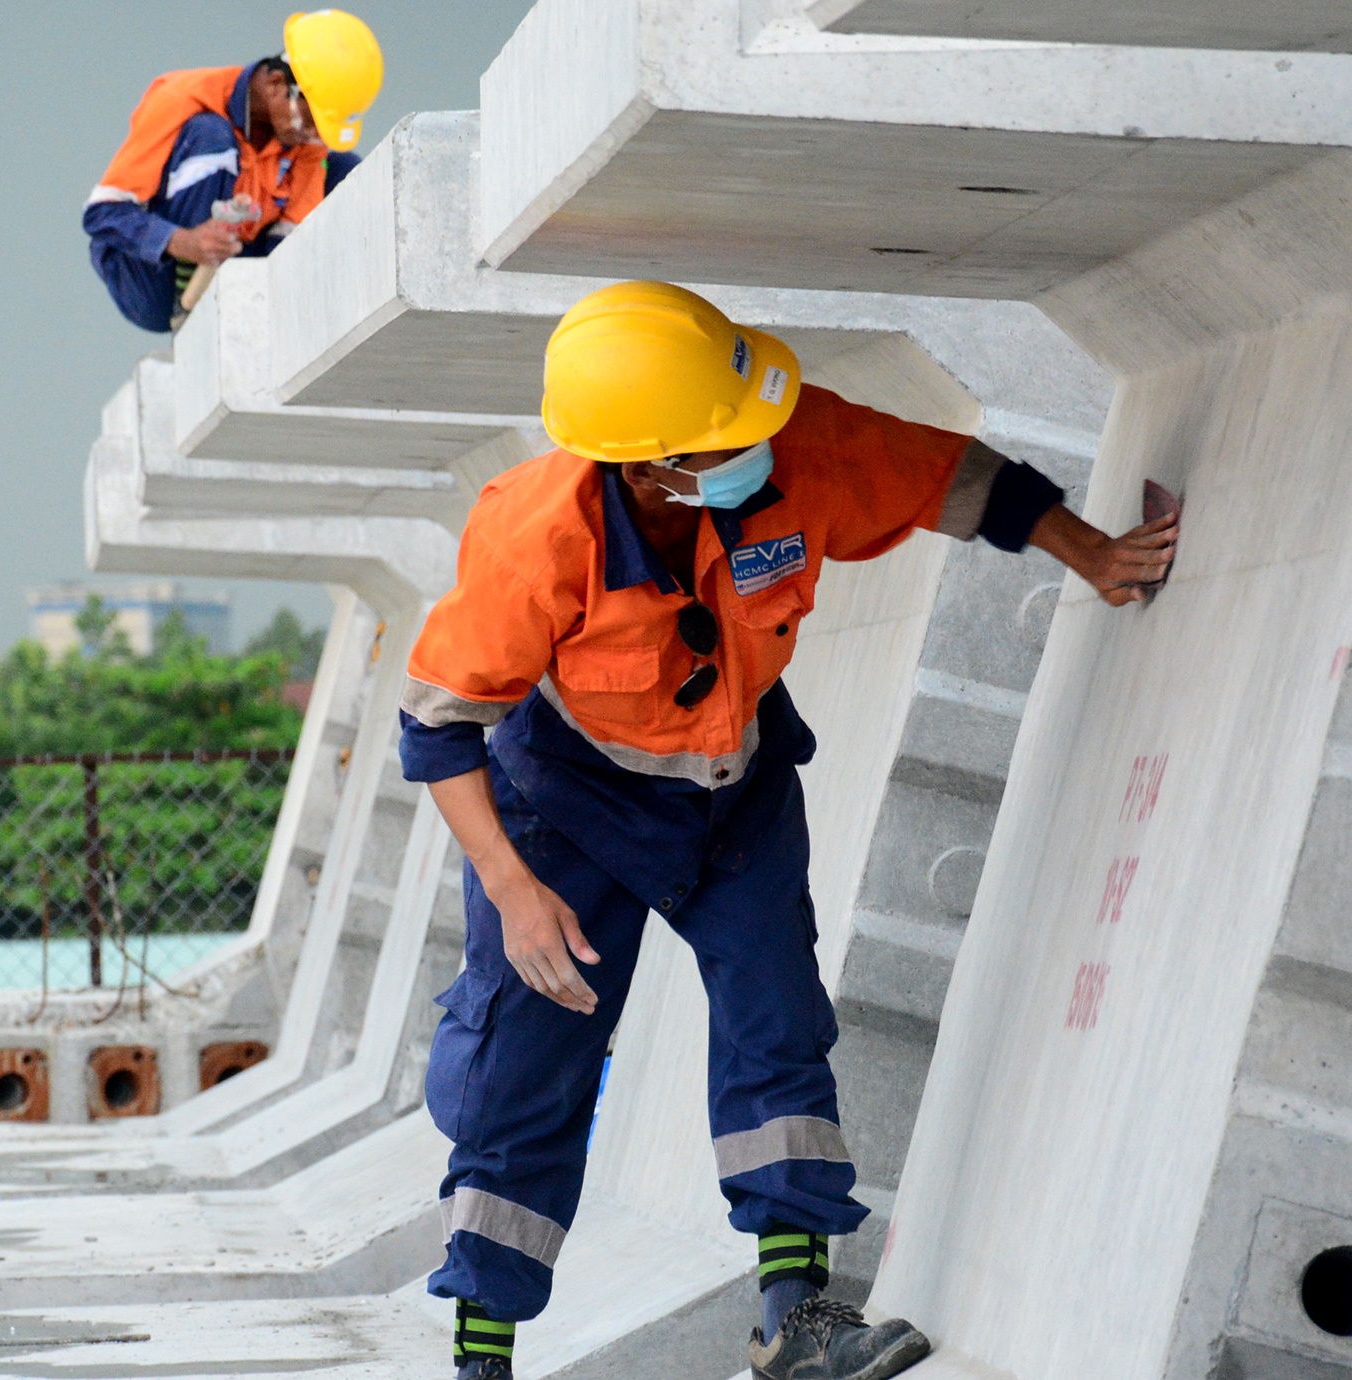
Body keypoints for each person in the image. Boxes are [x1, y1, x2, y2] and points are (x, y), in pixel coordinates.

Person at [400, 282, 1179, 1380]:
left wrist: (1092, 551)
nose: (760, 447)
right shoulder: (536, 538)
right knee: (526, 1072)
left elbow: (958, 481)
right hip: (564, 816)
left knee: (778, 1027)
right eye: (721, 446)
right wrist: (513, 888)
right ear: (645, 467)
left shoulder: (782, 439)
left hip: (736, 788)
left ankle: (794, 1318)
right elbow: (437, 732)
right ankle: (481, 1356)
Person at [82, 9, 382, 332]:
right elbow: (102, 214)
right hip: (151, 276)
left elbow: (288, 236)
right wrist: (184, 241)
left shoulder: (307, 140)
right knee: (212, 135)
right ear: (277, 84)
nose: (314, 137)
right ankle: (190, 305)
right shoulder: (182, 99)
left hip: (234, 259)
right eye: (311, 122)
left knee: (343, 171)